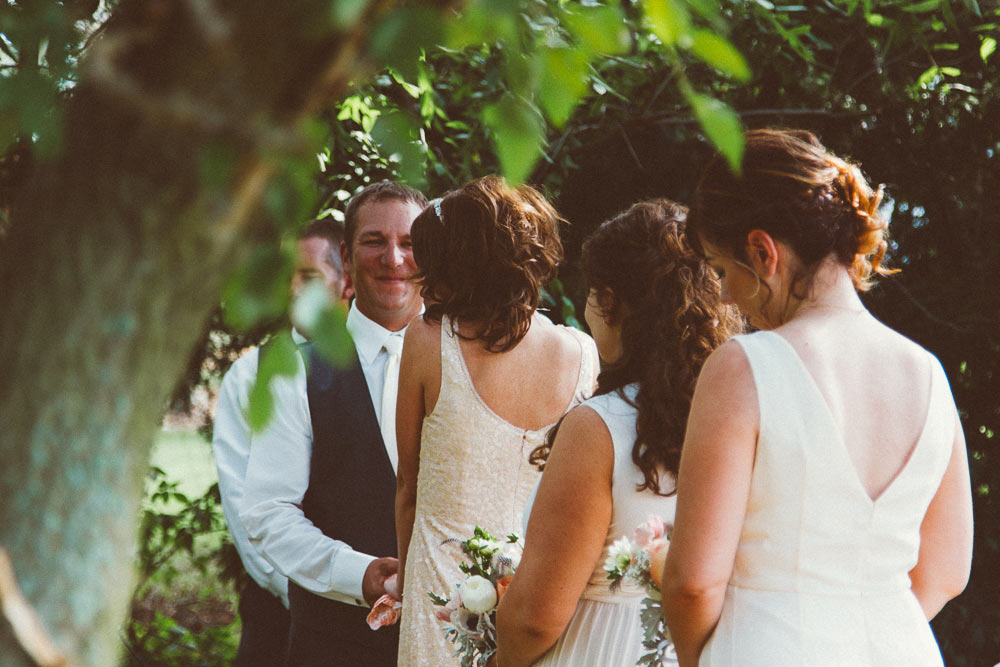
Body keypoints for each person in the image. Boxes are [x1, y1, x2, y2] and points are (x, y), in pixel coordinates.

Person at [660, 129, 974, 666]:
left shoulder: (744, 368)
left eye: (720, 270)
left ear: (763, 252)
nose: (727, 296)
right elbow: (947, 570)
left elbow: (693, 582)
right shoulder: (929, 375)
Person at [493, 200, 740, 666]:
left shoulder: (600, 427)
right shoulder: (737, 418)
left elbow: (536, 617)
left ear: (610, 301)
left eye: (590, 294)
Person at [394, 176, 600, 666]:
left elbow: (409, 485)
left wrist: (405, 583)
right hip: (536, 593)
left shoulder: (427, 341)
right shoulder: (582, 353)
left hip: (441, 598)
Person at [240, 181, 427, 666]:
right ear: (346, 256)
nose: (393, 258)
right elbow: (267, 512)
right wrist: (357, 574)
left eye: (409, 243)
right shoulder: (296, 372)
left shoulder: (471, 363)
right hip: (334, 646)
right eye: (374, 241)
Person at [212, 218, 350, 666]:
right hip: (280, 612)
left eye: (308, 277)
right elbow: (243, 508)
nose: (291, 289)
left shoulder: (383, 365)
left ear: (346, 281)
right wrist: (308, 594)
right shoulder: (250, 377)